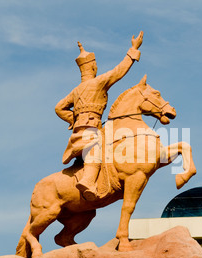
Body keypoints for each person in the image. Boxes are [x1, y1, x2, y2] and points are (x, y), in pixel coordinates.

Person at [55, 31, 143, 201]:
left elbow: (59, 108)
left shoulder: (76, 90)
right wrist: (133, 49)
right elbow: (120, 70)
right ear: (93, 67)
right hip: (91, 130)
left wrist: (75, 119)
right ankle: (88, 181)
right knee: (96, 149)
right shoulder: (98, 82)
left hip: (81, 129)